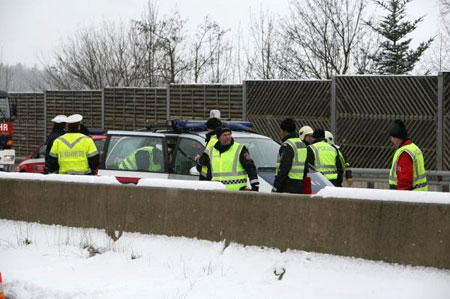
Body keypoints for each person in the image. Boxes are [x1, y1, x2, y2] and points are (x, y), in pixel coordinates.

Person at [203, 126, 259, 191]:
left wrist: (255, 185)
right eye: (225, 135)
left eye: (229, 134)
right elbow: (209, 172)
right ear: (219, 137)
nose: (228, 137)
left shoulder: (240, 149)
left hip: (237, 192)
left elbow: (250, 167)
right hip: (217, 192)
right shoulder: (212, 150)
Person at [388, 120, 427, 191]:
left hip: (409, 197)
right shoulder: (414, 148)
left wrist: (401, 198)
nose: (392, 140)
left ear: (397, 138)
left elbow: (405, 181)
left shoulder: (404, 153)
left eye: (392, 138)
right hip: (419, 194)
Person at [272, 118, 307, 194]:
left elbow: (284, 167)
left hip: (288, 183)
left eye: (281, 130)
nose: (280, 132)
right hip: (299, 183)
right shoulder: (302, 144)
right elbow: (306, 166)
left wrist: (276, 186)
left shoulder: (288, 145)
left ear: (285, 131)